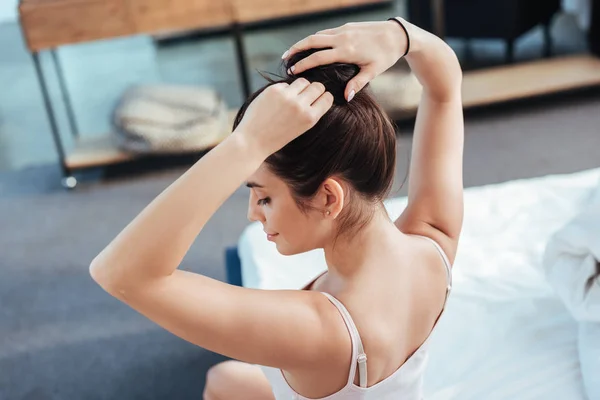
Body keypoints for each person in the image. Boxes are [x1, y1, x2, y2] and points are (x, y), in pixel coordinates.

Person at [90, 16, 464, 400]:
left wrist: (246, 144)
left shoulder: (318, 331)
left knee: (222, 385)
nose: (253, 213)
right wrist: (401, 35)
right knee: (225, 380)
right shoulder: (434, 242)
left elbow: (121, 273)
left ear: (328, 198)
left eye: (264, 196)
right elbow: (444, 89)